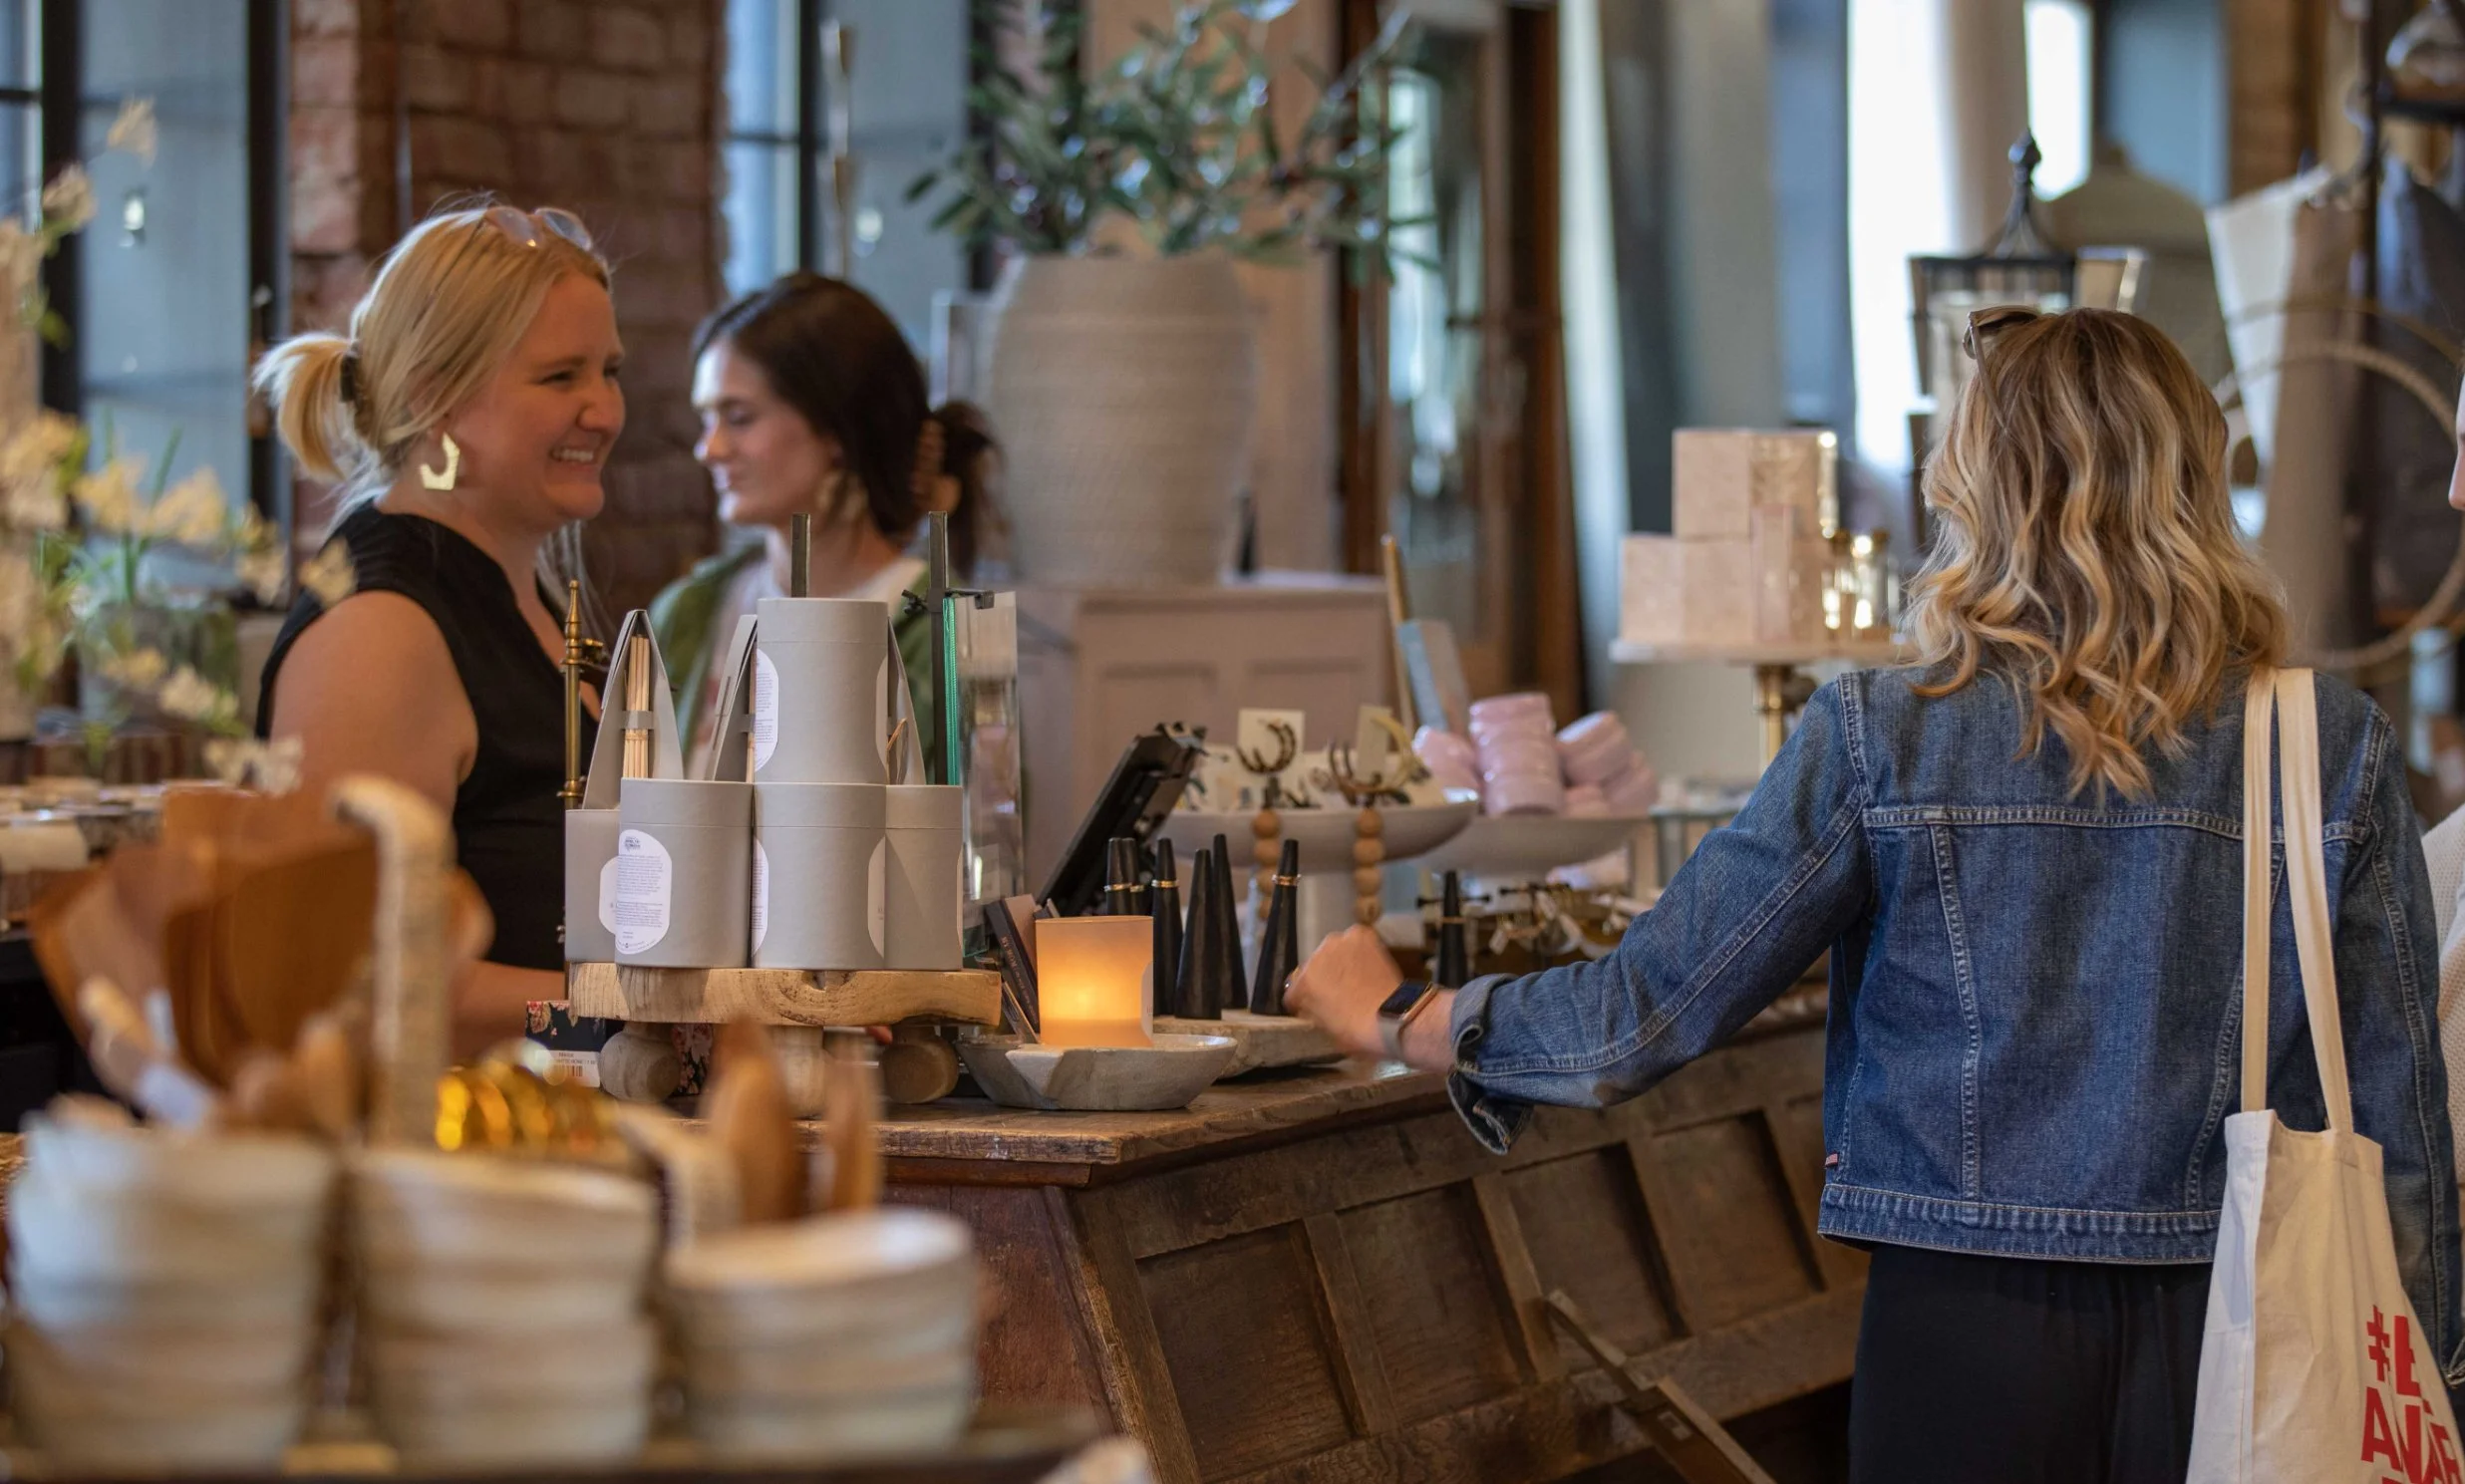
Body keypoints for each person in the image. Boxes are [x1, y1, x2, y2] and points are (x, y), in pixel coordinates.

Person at [1290, 308, 2464, 1481]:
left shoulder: (1881, 736)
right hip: (2244, 1327)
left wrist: (1406, 1017)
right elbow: (2400, 1121)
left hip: (1961, 1331)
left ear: (1976, 485)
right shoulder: (2326, 742)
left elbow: (1640, 1014)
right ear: (2198, 484)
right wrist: (2428, 1378)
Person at [252, 202, 623, 1054]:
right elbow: (359, 980)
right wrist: (634, 1014)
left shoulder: (513, 594)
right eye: (561, 376)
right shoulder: (380, 631)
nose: (603, 410)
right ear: (437, 401)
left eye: (609, 371)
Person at [652, 272, 998, 774]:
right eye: (707, 419)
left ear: (837, 429)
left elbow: (975, 845)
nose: (709, 449)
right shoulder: (689, 612)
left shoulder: (948, 639)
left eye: (740, 417)